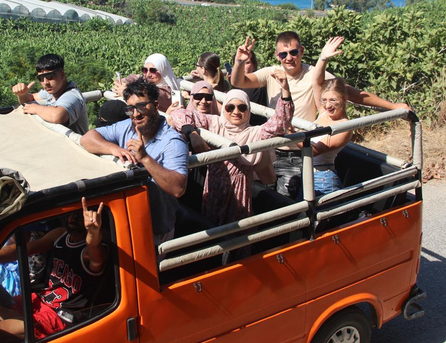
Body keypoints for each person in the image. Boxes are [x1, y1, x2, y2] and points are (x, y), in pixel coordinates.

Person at [230, 32, 410, 198]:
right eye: (283, 54)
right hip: (271, 150)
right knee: (266, 197)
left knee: (290, 203)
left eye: (293, 52)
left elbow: (349, 93)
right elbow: (238, 81)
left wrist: (393, 106)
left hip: (298, 152)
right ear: (277, 56)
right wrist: (239, 61)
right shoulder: (271, 73)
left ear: (301, 51)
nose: (289, 58)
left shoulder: (312, 74)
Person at [170, 73, 294, 226]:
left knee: (237, 230)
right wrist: (192, 132)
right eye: (230, 107)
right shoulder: (214, 123)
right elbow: (178, 113)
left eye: (242, 107)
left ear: (248, 110)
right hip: (214, 188)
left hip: (240, 190)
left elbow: (281, 123)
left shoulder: (255, 132)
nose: (236, 112)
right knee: (213, 230)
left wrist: (285, 91)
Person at [0, 198, 109, 342]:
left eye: (80, 215)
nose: (73, 218)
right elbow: (20, 251)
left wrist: (93, 232)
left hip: (61, 316)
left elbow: (96, 256)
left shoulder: (89, 251)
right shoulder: (60, 235)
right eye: (72, 213)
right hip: (41, 300)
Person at [81, 77, 188, 244]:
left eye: (141, 106)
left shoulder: (172, 142)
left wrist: (145, 158)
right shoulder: (126, 126)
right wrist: (114, 149)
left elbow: (178, 188)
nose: (136, 114)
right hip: (125, 222)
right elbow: (87, 139)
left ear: (156, 106)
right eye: (130, 109)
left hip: (154, 229)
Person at [305, 36, 353, 197]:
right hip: (308, 175)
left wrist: (289, 132)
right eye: (324, 100)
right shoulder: (324, 112)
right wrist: (323, 58)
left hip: (324, 180)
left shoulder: (344, 126)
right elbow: (316, 82)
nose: (328, 105)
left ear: (344, 100)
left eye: (333, 100)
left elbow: (315, 151)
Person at [12, 53, 88, 135]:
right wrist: (22, 94)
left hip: (71, 146)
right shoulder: (52, 92)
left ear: (62, 75)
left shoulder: (72, 96)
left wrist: (36, 109)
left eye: (50, 76)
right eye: (41, 78)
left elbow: (57, 116)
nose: (45, 83)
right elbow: (29, 100)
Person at [112, 53, 181, 112]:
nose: (148, 74)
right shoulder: (145, 80)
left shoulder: (166, 92)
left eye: (153, 70)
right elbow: (132, 78)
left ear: (163, 71)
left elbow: (145, 95)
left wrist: (125, 91)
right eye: (145, 70)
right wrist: (121, 83)